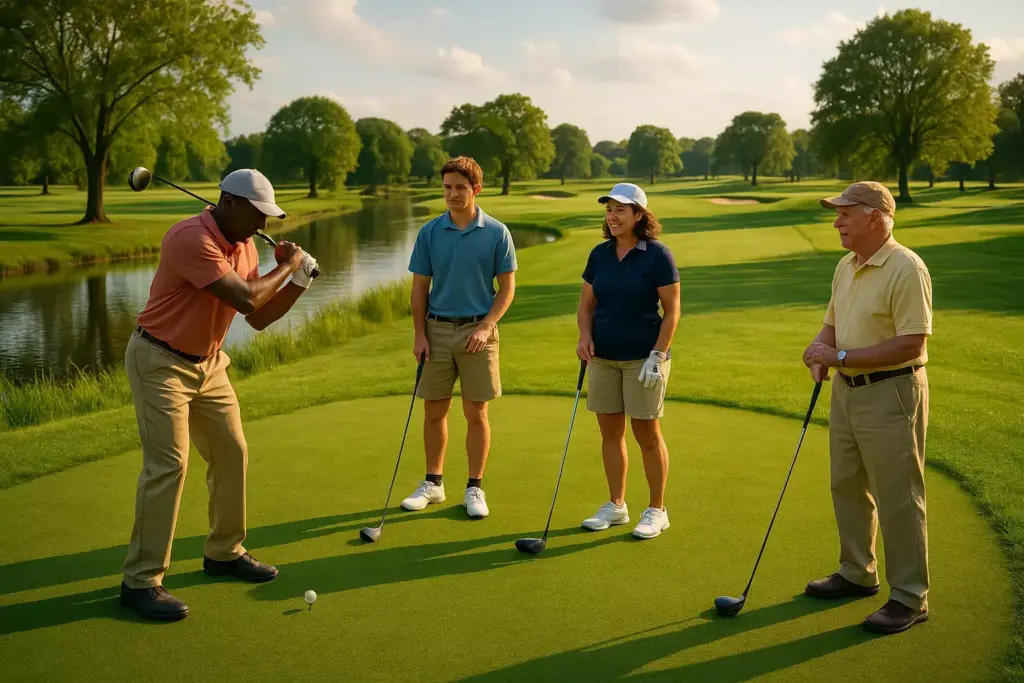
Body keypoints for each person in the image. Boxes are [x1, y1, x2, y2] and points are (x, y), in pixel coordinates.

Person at [119, 169, 319, 621]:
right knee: (168, 465)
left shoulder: (244, 244)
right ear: (229, 203)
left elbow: (258, 318)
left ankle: (224, 552)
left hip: (209, 365)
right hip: (160, 361)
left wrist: (300, 282)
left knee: (232, 452)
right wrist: (286, 266)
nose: (263, 226)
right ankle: (140, 582)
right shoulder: (190, 238)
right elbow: (246, 298)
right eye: (257, 214)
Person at [803, 181, 932, 635]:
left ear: (875, 216)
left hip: (892, 391)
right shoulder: (846, 265)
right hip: (847, 390)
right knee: (846, 482)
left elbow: (910, 342)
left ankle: (910, 597)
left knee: (898, 494)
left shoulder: (906, 267)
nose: (836, 221)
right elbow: (831, 326)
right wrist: (819, 351)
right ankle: (858, 572)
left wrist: (836, 358)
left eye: (844, 213)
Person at [400, 156, 517, 519]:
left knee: (476, 413)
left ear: (476, 190)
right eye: (447, 187)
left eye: (460, 188)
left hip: (477, 332)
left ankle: (474, 488)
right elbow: (419, 288)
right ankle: (433, 484)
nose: (452, 194)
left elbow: (507, 289)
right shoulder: (430, 232)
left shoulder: (497, 232)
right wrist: (419, 334)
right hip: (435, 330)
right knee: (434, 410)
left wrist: (486, 326)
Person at [575, 182, 680, 540]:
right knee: (610, 433)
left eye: (621, 209)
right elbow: (586, 305)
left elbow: (672, 311)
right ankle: (617, 505)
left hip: (644, 358)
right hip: (603, 357)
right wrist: (584, 337)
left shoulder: (657, 255)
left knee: (646, 433)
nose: (613, 216)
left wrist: (658, 353)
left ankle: (656, 510)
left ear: (639, 214)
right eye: (609, 210)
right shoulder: (599, 254)